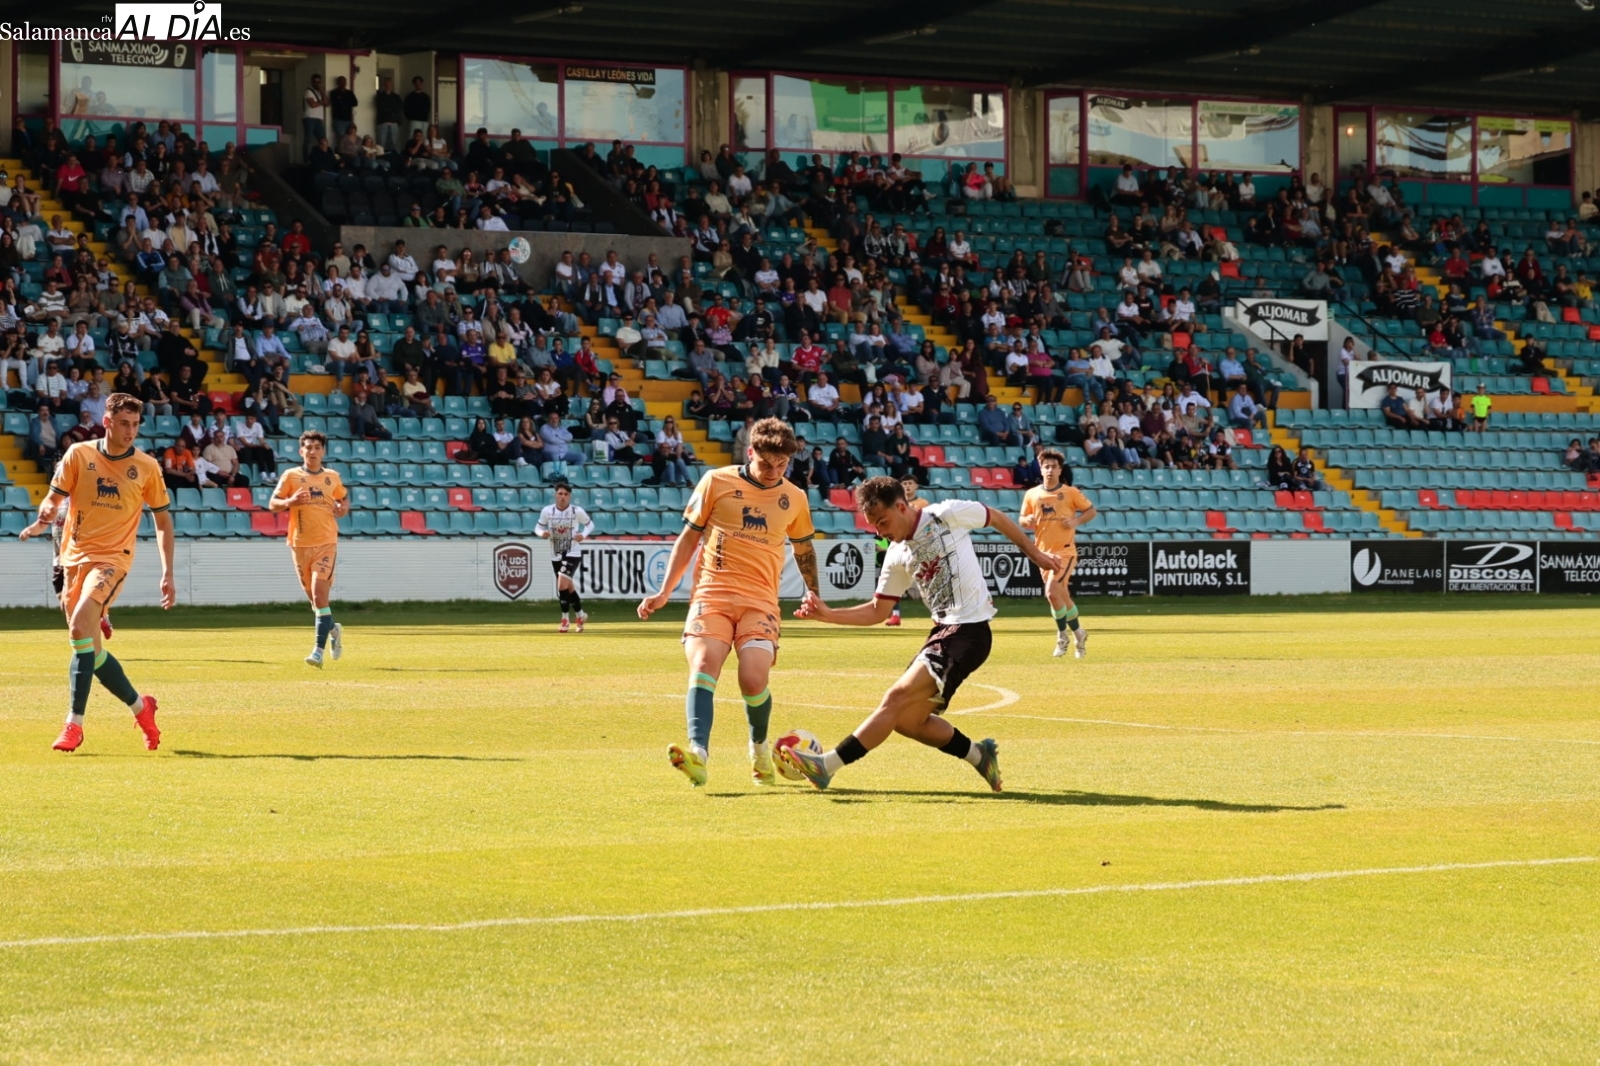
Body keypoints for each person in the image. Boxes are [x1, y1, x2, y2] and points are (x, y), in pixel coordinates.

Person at [784, 477, 1063, 792]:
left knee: (895, 698)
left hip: (970, 631)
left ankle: (827, 766)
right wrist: (828, 614)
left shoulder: (946, 514)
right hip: (943, 632)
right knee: (906, 720)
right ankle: (979, 755)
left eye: (883, 521)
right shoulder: (896, 554)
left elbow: (995, 517)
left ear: (902, 507)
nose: (879, 531)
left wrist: (1035, 554)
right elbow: (879, 610)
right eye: (873, 525)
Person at [636, 418, 819, 789]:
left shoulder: (795, 497)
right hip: (712, 595)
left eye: (782, 464)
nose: (774, 471)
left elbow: (804, 548)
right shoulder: (716, 482)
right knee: (704, 664)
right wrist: (665, 591)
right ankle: (698, 755)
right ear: (750, 452)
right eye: (767, 463)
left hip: (760, 601)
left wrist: (813, 591)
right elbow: (688, 540)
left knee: (753, 678)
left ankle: (760, 749)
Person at [18, 392, 172, 753]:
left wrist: (167, 573)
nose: (130, 431)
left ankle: (74, 725)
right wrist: (45, 511)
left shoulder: (147, 467)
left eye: (135, 425)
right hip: (73, 558)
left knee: (78, 627)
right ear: (107, 422)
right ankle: (141, 707)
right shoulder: (79, 454)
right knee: (91, 650)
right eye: (123, 424)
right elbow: (54, 498)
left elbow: (163, 520)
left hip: (113, 559)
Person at [268, 431, 349, 669]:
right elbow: (273, 504)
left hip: (326, 543)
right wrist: (290, 502)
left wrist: (343, 509)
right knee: (316, 603)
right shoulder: (291, 476)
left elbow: (343, 500)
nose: (312, 451)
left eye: (317, 447)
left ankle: (317, 652)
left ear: (323, 451)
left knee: (320, 596)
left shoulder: (332, 477)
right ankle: (334, 630)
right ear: (301, 451)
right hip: (299, 544)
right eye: (308, 447)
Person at [1019, 450, 1096, 659]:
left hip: (1064, 552)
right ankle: (1080, 634)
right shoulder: (1032, 494)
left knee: (1051, 592)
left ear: (1060, 470)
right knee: (1062, 597)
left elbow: (1091, 511)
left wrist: (1075, 521)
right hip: (1042, 553)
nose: (1050, 470)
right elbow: (1022, 517)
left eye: (1054, 466)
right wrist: (1027, 522)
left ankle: (1062, 637)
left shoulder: (1070, 492)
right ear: (1041, 469)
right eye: (1046, 466)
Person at [534, 483, 595, 633]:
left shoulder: (576, 511)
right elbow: (538, 527)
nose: (562, 497)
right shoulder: (547, 511)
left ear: (570, 496)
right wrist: (542, 534)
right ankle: (580, 615)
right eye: (560, 494)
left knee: (561, 584)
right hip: (555, 553)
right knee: (568, 587)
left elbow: (590, 525)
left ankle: (565, 619)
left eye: (565, 494)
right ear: (555, 495)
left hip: (572, 551)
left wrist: (583, 535)